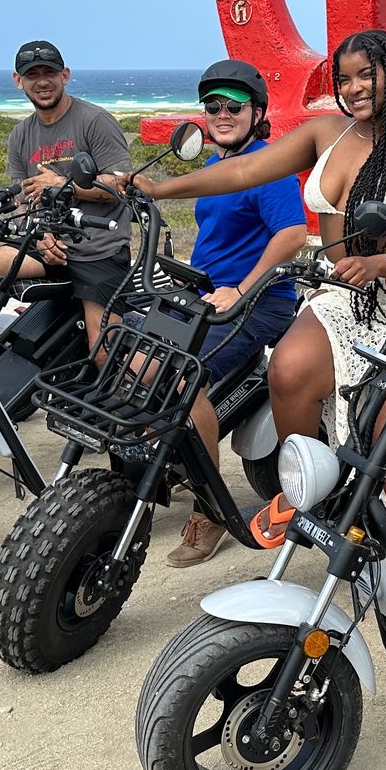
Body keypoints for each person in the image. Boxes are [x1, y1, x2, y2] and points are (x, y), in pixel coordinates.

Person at [121, 29, 386, 588]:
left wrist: (385, 266)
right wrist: (159, 189)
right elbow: (243, 171)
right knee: (288, 371)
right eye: (343, 79)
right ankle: (304, 489)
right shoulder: (327, 131)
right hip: (341, 294)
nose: (353, 89)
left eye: (365, 75)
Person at [148, 60, 308, 567]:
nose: (221, 113)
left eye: (233, 106)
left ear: (256, 113)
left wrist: (240, 288)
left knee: (181, 378)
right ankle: (173, 459)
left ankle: (210, 508)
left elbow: (292, 234)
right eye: (212, 106)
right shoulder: (216, 167)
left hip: (262, 303)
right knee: (130, 357)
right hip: (209, 295)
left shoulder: (269, 165)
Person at [0, 41, 132, 344]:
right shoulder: (20, 135)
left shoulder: (94, 120)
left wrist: (62, 184)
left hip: (97, 250)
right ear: (19, 81)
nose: (42, 81)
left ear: (65, 75)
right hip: (46, 247)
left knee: (103, 351)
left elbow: (120, 185)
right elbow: (25, 201)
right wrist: (41, 237)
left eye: (49, 73)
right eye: (32, 74)